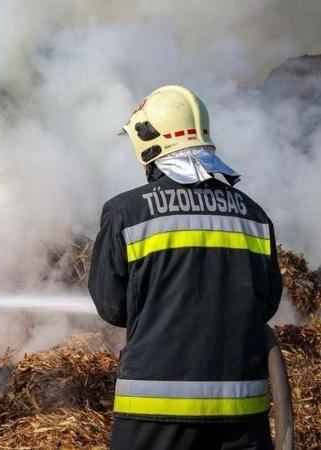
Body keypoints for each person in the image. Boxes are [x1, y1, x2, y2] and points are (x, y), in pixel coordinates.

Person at [88, 85, 282, 450]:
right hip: (242, 412)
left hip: (153, 409)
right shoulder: (254, 215)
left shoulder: (126, 212)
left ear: (148, 145)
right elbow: (266, 305)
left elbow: (112, 308)